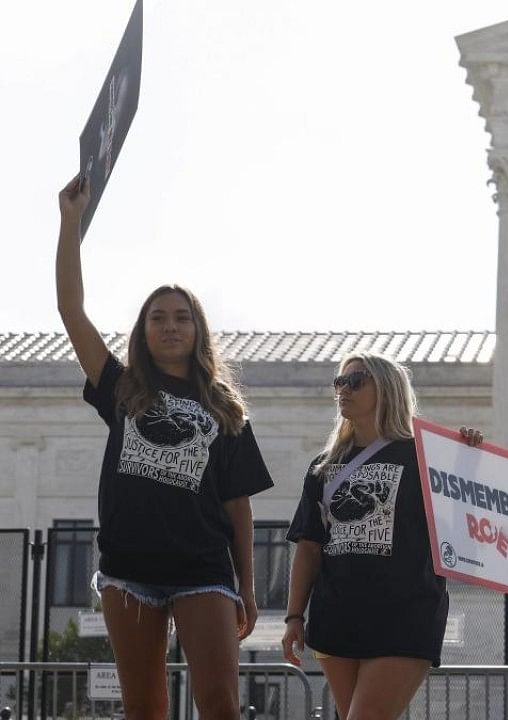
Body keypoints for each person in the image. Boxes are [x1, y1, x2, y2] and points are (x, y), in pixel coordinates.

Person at [56, 175, 274, 719]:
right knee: (145, 707)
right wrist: (70, 222)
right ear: (143, 330)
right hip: (128, 568)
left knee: (220, 703)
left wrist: (247, 588)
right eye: (158, 318)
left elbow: (239, 507)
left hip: (203, 568)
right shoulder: (122, 386)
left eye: (181, 317)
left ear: (198, 330)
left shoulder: (225, 408)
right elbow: (70, 311)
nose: (170, 326)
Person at [281, 352, 482, 720]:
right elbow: (309, 546)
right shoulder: (323, 466)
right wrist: (294, 616)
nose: (343, 389)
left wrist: (467, 456)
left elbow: (468, 514)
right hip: (336, 615)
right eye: (339, 382)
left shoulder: (426, 456)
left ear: (387, 389)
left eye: (356, 381)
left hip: (405, 614)